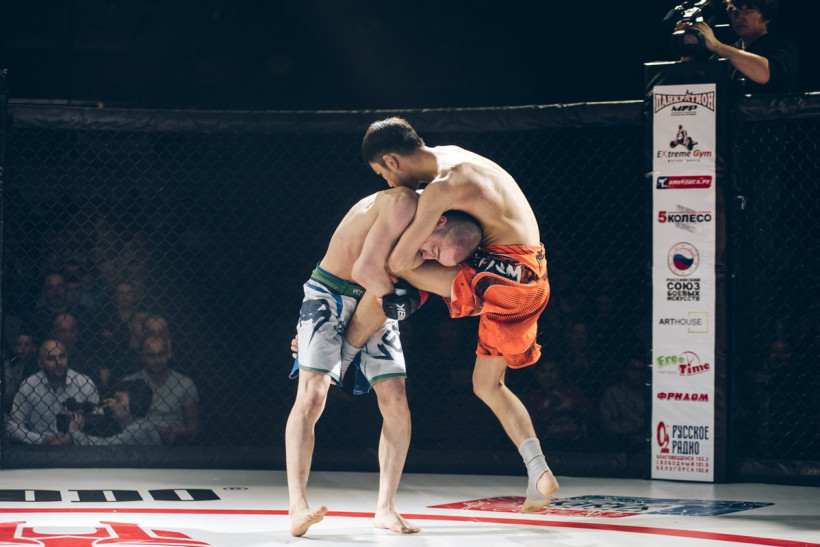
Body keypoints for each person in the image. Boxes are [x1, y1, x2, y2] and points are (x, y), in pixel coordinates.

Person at [347, 116, 559, 513]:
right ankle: (539, 471)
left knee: (390, 267)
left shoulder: (440, 189)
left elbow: (399, 260)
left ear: (391, 161)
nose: (388, 183)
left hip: (503, 276)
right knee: (487, 385)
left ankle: (344, 351)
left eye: (382, 174)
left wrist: (395, 250)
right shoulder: (454, 156)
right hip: (533, 279)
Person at [287, 187, 481, 537]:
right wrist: (397, 300)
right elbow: (365, 270)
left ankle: (386, 508)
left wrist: (400, 301)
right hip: (332, 291)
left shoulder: (427, 241)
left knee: (396, 399)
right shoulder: (402, 205)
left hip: (375, 302)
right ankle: (297, 505)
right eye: (435, 249)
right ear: (439, 222)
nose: (428, 256)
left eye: (438, 258)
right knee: (313, 395)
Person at [680, 0, 798, 93]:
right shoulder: (727, 52)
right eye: (735, 13)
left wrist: (717, 46)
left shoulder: (783, 48)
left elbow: (766, 73)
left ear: (766, 17)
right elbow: (694, 84)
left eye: (747, 12)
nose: (739, 18)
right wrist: (687, 45)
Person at [6, 339, 100, 445]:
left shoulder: (84, 384)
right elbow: (12, 426)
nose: (59, 362)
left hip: (78, 449)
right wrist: (41, 440)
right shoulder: (29, 385)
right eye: (51, 358)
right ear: (40, 363)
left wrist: (74, 438)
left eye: (62, 356)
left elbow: (100, 426)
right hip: (38, 450)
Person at [123, 334, 199, 445]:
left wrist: (181, 432)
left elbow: (193, 427)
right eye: (151, 355)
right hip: (138, 440)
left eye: (161, 354)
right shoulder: (130, 383)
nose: (157, 360)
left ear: (169, 354)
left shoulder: (185, 383)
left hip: (175, 442)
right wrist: (166, 430)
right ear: (142, 356)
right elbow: (123, 423)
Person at [69, 378, 161, 446]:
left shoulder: (139, 429)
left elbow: (105, 447)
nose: (112, 404)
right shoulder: (134, 425)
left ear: (134, 403)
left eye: (118, 400)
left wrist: (75, 432)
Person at [599, 357, 647, 450]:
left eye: (642, 371)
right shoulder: (613, 393)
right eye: (633, 369)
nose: (638, 374)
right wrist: (640, 425)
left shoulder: (650, 393)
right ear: (624, 371)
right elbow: (608, 425)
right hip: (622, 444)